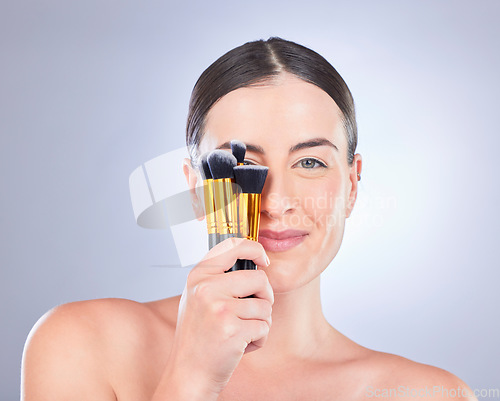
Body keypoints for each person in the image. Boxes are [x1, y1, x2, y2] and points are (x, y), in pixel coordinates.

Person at [21, 37, 476, 401]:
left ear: (353, 185)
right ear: (199, 190)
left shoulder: (429, 395)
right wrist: (191, 377)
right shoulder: (80, 346)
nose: (275, 203)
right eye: (243, 166)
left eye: (311, 163)